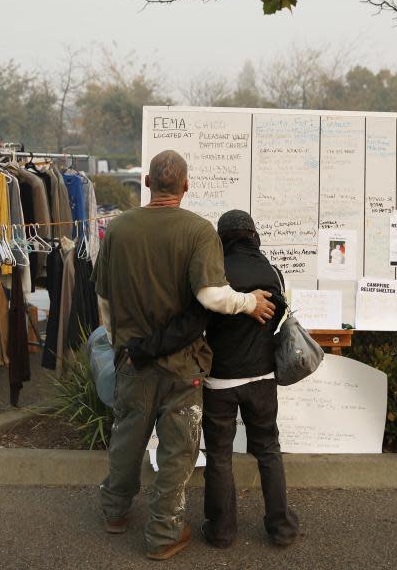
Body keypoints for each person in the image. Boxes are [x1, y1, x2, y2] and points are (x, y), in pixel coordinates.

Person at [92, 150, 276, 561]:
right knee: (177, 452)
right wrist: (249, 303)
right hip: (182, 365)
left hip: (133, 361)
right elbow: (210, 295)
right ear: (186, 186)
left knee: (127, 439)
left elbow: (103, 297)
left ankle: (114, 512)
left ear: (146, 182)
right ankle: (163, 534)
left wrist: (118, 340)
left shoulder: (118, 229)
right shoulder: (198, 231)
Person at [201, 210, 299, 548]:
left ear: (221, 237)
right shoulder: (271, 272)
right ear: (253, 235)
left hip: (220, 380)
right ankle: (281, 527)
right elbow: (280, 315)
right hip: (261, 378)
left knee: (219, 454)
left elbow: (201, 320)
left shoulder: (216, 272)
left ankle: (222, 530)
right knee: (268, 450)